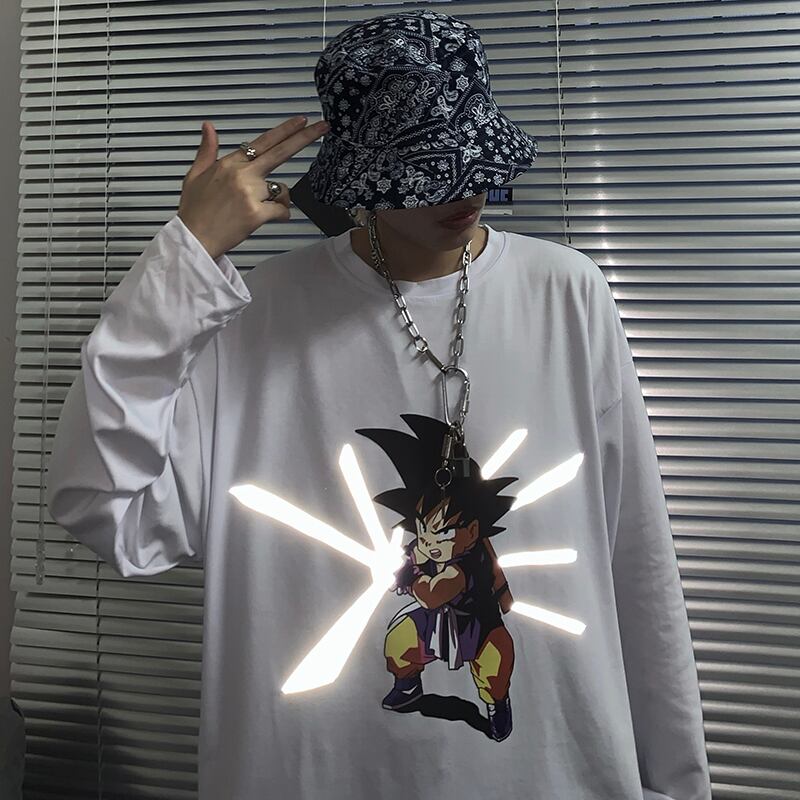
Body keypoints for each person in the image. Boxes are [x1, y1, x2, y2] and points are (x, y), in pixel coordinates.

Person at [46, 9, 712, 800]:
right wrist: (183, 262)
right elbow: (111, 516)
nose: (465, 191)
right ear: (363, 176)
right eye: (429, 173)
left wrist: (677, 780)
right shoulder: (251, 318)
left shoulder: (567, 294)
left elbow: (636, 555)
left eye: (474, 161)